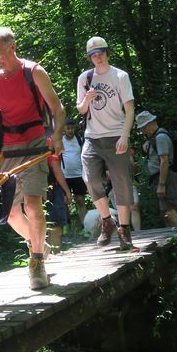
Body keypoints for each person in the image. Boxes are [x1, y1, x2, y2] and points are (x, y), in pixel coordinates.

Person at [0, 27, 65, 290]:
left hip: (34, 144)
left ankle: (37, 261)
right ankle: (39, 242)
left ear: (12, 48)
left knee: (32, 205)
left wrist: (59, 136)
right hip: (5, 149)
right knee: (9, 213)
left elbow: (57, 108)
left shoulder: (34, 72)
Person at [76, 36, 135, 251]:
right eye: (93, 54)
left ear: (106, 52)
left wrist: (125, 136)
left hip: (116, 136)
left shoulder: (120, 76)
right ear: (90, 57)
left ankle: (124, 229)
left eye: (100, 52)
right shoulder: (85, 77)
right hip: (92, 137)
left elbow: (129, 109)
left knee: (121, 184)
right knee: (91, 179)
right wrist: (87, 100)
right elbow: (81, 109)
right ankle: (107, 221)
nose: (97, 57)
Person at [135, 111, 177, 227]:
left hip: (166, 178)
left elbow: (164, 161)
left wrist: (161, 184)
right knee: (165, 213)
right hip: (161, 178)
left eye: (143, 127)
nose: (142, 131)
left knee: (169, 211)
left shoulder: (160, 137)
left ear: (149, 123)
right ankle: (174, 239)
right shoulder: (156, 137)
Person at [61, 117, 88, 227]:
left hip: (78, 175)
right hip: (64, 176)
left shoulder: (79, 139)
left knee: (80, 200)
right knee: (64, 201)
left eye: (72, 128)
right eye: (68, 128)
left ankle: (85, 226)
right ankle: (67, 226)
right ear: (64, 129)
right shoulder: (59, 140)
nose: (70, 130)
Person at [46, 154, 72, 254]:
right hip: (52, 190)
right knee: (56, 224)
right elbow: (57, 171)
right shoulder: (51, 146)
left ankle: (44, 256)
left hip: (35, 190)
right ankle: (55, 252)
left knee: (43, 224)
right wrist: (67, 192)